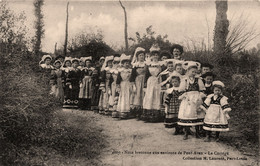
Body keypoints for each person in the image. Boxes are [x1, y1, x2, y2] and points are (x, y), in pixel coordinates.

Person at [178, 61, 206, 140]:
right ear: (188, 71)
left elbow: (202, 90)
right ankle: (186, 132)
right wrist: (186, 97)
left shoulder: (199, 80)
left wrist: (199, 97)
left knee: (198, 115)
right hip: (188, 99)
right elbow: (182, 90)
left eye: (195, 72)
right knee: (187, 114)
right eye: (192, 71)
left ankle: (197, 133)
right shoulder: (185, 80)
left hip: (197, 99)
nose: (194, 73)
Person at [142, 44, 163, 122]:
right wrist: (145, 83)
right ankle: (148, 115)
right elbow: (146, 74)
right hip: (150, 81)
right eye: (154, 55)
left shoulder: (161, 64)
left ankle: (156, 115)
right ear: (151, 56)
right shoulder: (149, 64)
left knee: (157, 96)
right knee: (149, 96)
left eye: (157, 55)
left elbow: (163, 73)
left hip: (158, 80)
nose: (155, 56)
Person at [116, 54, 134, 119]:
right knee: (123, 97)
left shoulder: (130, 70)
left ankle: (128, 111)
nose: (127, 64)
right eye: (125, 63)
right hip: (123, 85)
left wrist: (132, 85)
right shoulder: (120, 71)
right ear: (123, 64)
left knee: (129, 96)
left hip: (128, 84)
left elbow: (132, 79)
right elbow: (118, 80)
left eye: (128, 63)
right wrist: (118, 87)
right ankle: (122, 111)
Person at [131, 47, 147, 119]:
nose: (141, 57)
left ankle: (144, 112)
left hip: (144, 81)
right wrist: (133, 85)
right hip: (137, 81)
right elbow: (132, 76)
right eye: (140, 55)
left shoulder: (146, 64)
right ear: (137, 57)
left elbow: (148, 74)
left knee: (144, 95)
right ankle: (137, 112)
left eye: (143, 55)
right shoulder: (135, 65)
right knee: (138, 96)